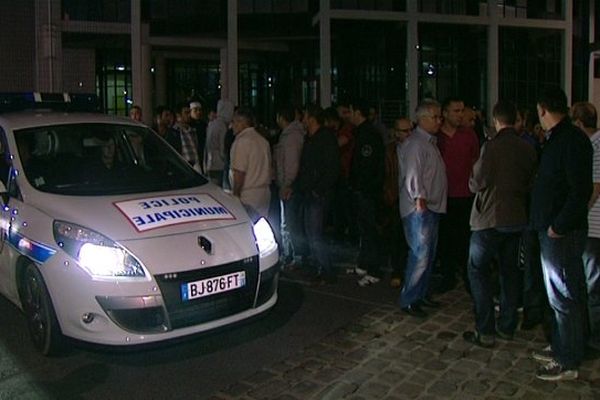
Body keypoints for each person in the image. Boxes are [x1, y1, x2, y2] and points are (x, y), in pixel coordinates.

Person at [462, 101, 537, 348]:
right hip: (516, 219)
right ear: (515, 119)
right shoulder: (527, 148)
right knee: (510, 273)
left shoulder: (490, 147)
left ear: (495, 121)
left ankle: (485, 329)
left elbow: (477, 183)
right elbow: (530, 183)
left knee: (477, 270)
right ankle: (507, 325)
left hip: (489, 219)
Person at [530, 87, 592, 381]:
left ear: (543, 109)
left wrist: (558, 225)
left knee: (564, 294)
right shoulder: (561, 138)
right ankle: (562, 346)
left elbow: (580, 190)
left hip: (561, 233)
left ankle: (568, 359)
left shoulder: (570, 140)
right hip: (554, 229)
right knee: (563, 294)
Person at [398, 99, 447, 318]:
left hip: (431, 206)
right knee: (421, 254)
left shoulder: (428, 142)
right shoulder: (416, 144)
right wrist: (419, 198)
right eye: (436, 116)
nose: (440, 120)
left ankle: (421, 294)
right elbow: (413, 174)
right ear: (423, 119)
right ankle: (410, 298)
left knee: (428, 254)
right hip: (420, 208)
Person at [435, 97, 480, 294]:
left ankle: (468, 277)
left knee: (465, 239)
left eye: (462, 110)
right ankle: (447, 276)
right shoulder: (436, 137)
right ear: (445, 113)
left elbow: (477, 160)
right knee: (445, 239)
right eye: (456, 111)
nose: (460, 115)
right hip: (443, 196)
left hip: (466, 195)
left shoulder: (469, 135)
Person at [293, 105, 340, 284]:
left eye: (304, 116)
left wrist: (318, 189)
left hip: (318, 193)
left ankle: (326, 270)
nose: (302, 120)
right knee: (311, 232)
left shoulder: (324, 139)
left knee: (315, 233)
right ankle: (320, 266)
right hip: (310, 191)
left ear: (311, 118)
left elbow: (331, 168)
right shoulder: (310, 138)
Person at [571, 101, 600, 357]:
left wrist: (577, 213)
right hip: (592, 225)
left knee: (592, 285)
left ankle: (594, 340)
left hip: (594, 227)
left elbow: (595, 187)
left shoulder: (595, 147)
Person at [349, 99, 385, 286]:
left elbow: (367, 165)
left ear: (357, 113)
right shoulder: (364, 133)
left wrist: (361, 186)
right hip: (364, 189)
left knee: (370, 230)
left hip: (367, 190)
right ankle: (364, 264)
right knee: (364, 229)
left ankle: (374, 269)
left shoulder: (367, 135)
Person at [273, 105, 305, 266]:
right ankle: (293, 254)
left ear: (281, 117)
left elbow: (291, 164)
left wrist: (286, 185)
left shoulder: (290, 137)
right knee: (291, 222)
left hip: (289, 187)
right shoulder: (294, 135)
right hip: (292, 185)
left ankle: (293, 255)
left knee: (289, 223)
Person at [382, 117, 411, 288]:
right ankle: (397, 270)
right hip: (396, 197)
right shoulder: (390, 150)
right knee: (396, 236)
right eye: (403, 131)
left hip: (411, 197)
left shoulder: (415, 148)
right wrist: (388, 194)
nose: (408, 134)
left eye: (409, 130)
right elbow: (386, 174)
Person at [229, 107, 272, 217]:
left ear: (241, 122)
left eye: (234, 122)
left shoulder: (241, 141)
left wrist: (235, 195)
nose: (232, 126)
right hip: (264, 192)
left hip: (248, 194)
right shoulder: (263, 141)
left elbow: (239, 172)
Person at [205, 99, 234, 185]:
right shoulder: (222, 126)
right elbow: (222, 147)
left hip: (210, 161)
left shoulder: (212, 124)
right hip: (219, 163)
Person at [173, 102, 201, 172]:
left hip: (195, 167)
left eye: (189, 112)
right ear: (179, 115)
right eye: (186, 113)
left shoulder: (193, 131)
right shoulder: (174, 132)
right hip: (182, 168)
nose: (189, 115)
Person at [189, 101, 207, 174]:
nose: (198, 112)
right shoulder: (188, 125)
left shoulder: (203, 124)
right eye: (195, 110)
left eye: (199, 110)